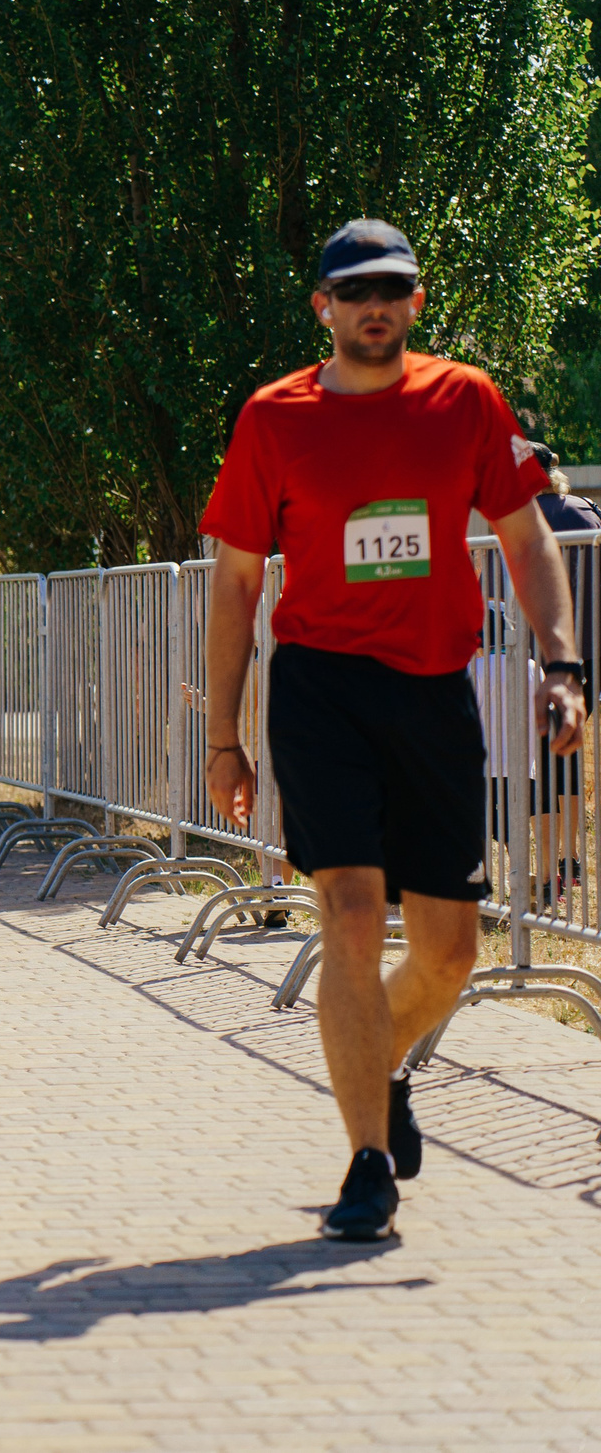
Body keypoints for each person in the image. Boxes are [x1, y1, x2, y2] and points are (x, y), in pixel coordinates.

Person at [200, 218, 585, 1244]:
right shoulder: (273, 419)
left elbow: (526, 537)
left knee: (452, 951)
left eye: (392, 288)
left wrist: (561, 666)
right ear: (321, 306)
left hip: (432, 689)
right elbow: (236, 584)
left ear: (414, 303)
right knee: (352, 909)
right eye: (352, 288)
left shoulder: (463, 402)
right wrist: (222, 739)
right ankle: (366, 1163)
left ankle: (381, 1072)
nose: (373, 304)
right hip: (320, 687)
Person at [529, 444, 598, 905]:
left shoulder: (526, 520)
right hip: (591, 653)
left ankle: (551, 867)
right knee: (570, 756)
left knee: (545, 761)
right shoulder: (589, 511)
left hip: (544, 658)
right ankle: (571, 861)